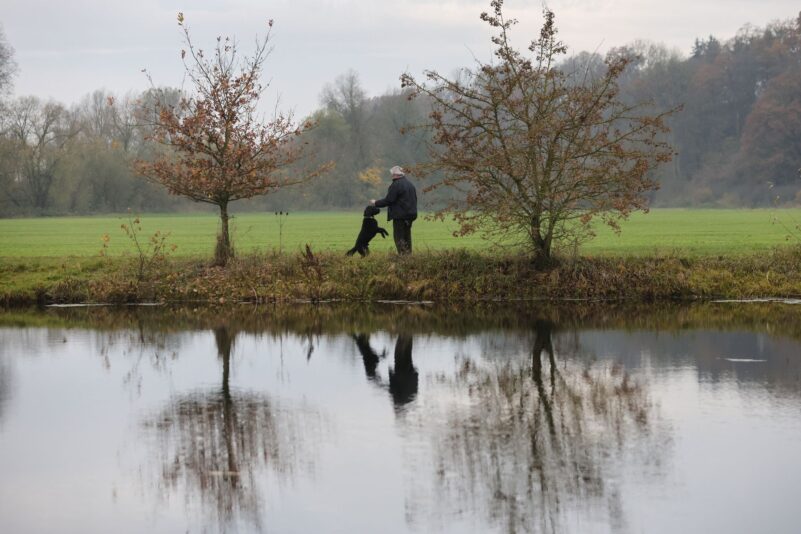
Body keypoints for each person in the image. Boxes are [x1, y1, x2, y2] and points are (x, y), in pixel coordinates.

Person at [370, 166, 417, 254]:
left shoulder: (396, 185)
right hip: (411, 215)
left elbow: (389, 200)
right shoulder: (410, 184)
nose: (392, 176)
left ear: (395, 175)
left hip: (400, 216)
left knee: (399, 237)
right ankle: (409, 258)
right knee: (407, 237)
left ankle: (403, 258)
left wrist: (375, 203)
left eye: (392, 175)